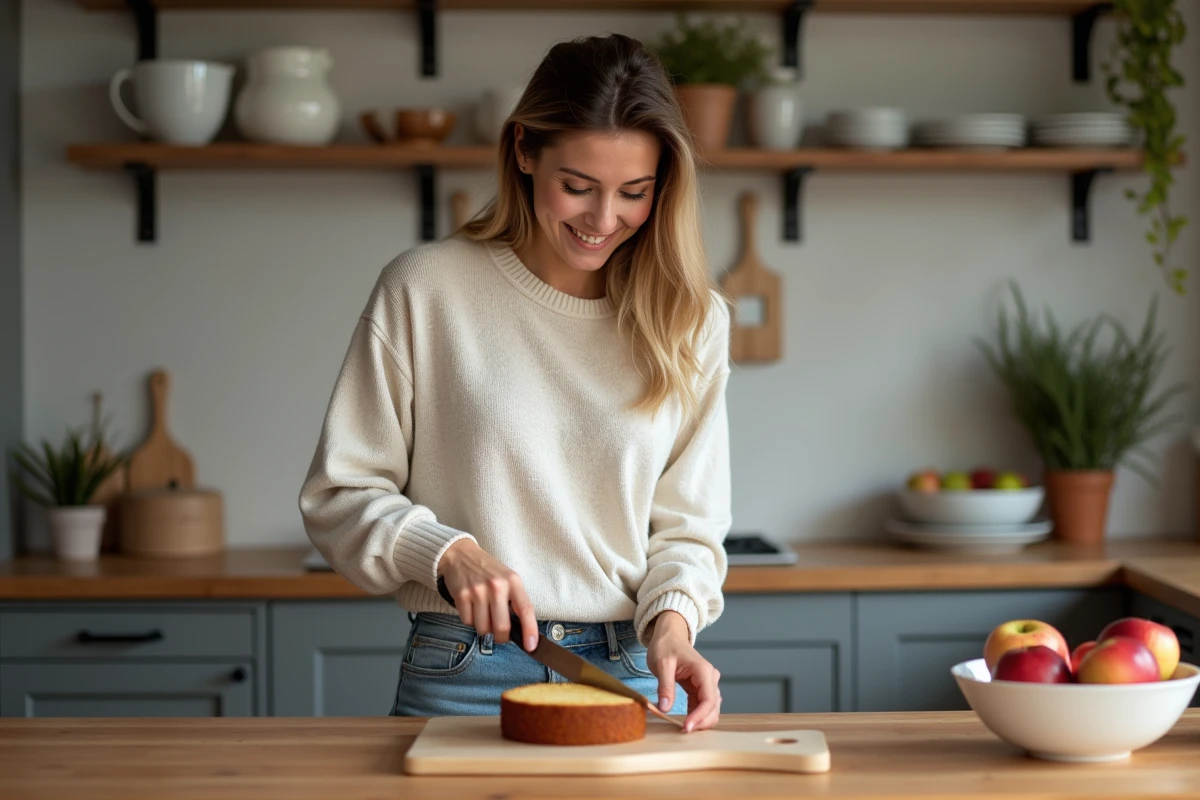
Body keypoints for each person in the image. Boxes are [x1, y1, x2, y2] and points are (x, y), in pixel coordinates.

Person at [298, 32, 731, 733]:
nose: (602, 220)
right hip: (464, 667)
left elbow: (689, 528)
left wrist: (675, 626)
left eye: (634, 193)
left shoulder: (691, 318)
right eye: (577, 186)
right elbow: (338, 496)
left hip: (633, 671)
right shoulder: (425, 289)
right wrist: (445, 552)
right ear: (524, 151)